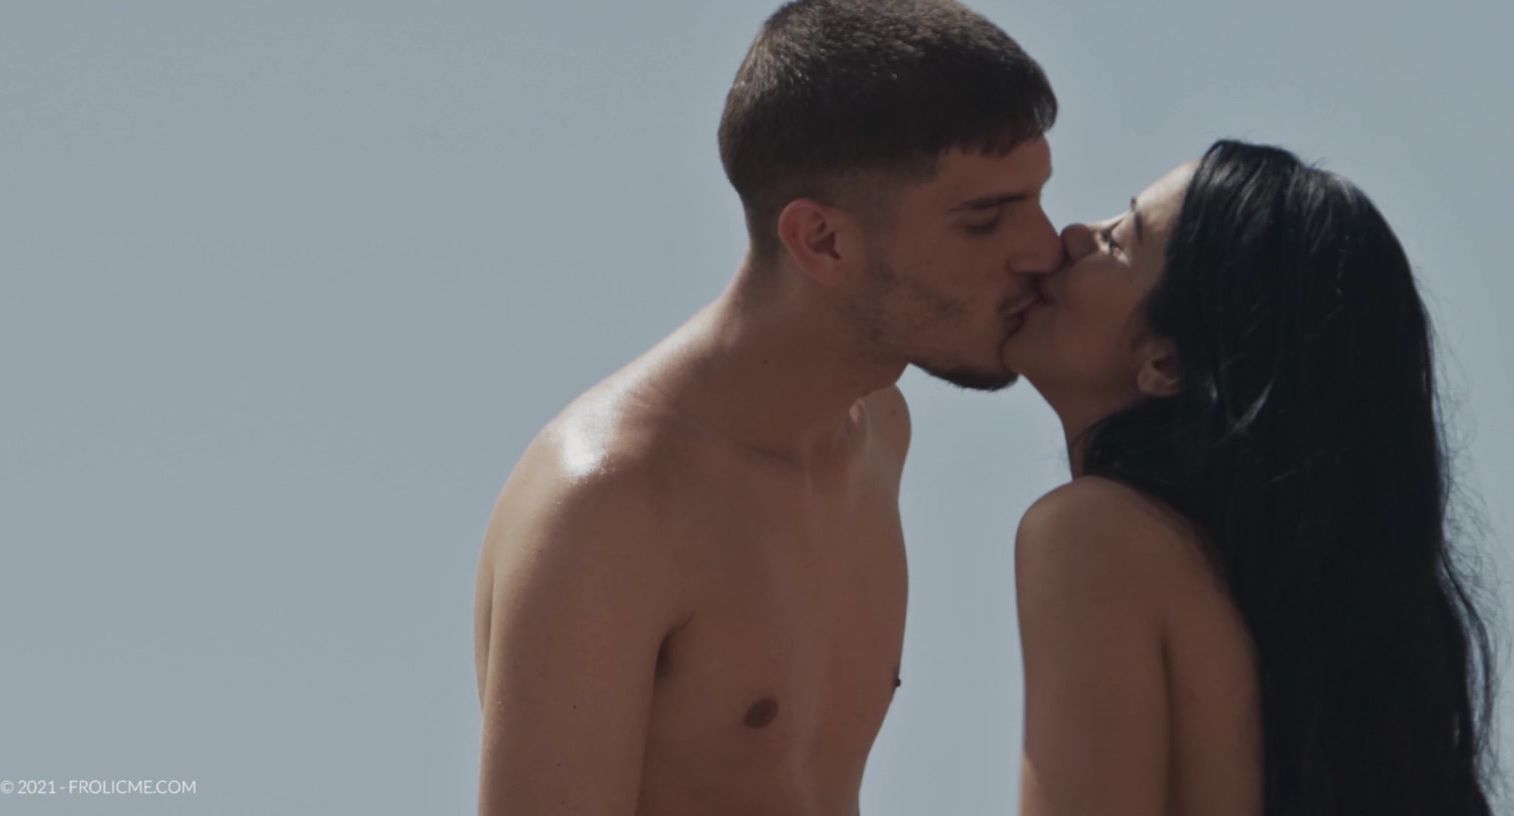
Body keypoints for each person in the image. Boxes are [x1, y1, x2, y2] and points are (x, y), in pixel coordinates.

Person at [473, 1, 1062, 812]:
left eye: (1036, 199)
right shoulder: (612, 501)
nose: (1044, 249)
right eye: (986, 220)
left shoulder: (878, 431)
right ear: (822, 241)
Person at [1003, 139, 1498, 816]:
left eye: (1118, 242)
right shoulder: (1303, 638)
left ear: (1167, 364)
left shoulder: (1093, 533)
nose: (1072, 235)